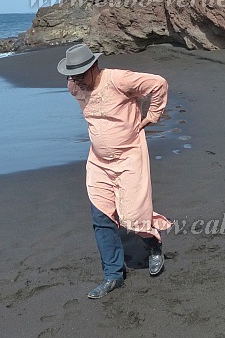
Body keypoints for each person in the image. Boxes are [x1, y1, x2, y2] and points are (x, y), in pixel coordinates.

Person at [57, 44, 172, 299]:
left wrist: (152, 115)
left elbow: (158, 84)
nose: (75, 82)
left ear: (94, 68)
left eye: (80, 75)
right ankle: (113, 275)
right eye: (71, 76)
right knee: (101, 217)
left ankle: (154, 245)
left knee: (133, 214)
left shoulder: (118, 79)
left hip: (129, 156)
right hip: (98, 162)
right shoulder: (75, 86)